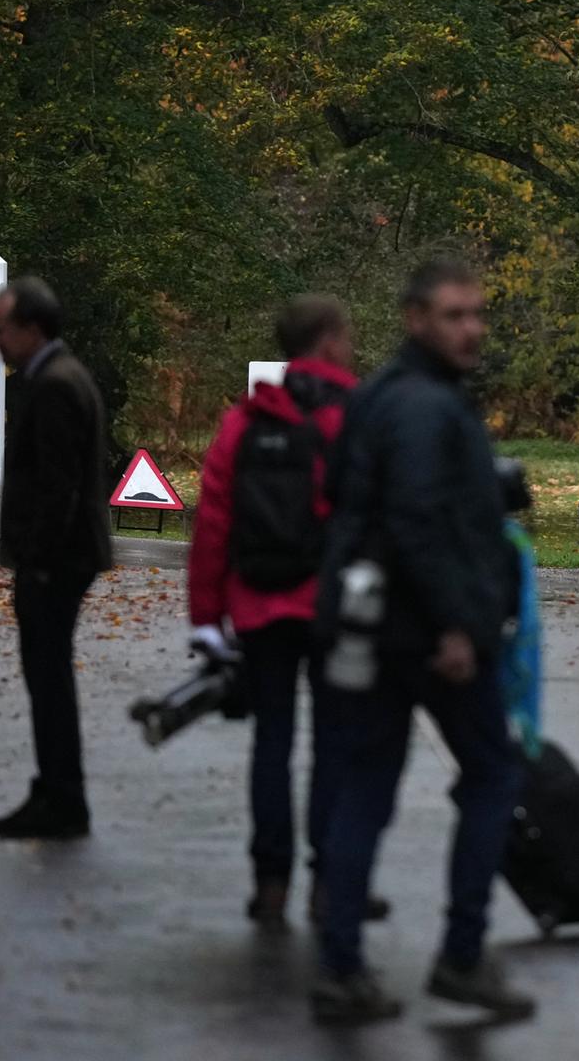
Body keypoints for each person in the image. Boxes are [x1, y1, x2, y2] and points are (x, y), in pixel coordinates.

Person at [310, 258, 534, 1026]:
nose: (471, 328)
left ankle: (342, 968)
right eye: (453, 314)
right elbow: (414, 520)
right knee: (492, 775)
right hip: (425, 634)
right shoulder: (418, 406)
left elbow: (348, 495)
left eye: (476, 313)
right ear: (415, 318)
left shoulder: (385, 395)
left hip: (374, 625)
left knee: (366, 787)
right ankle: (462, 958)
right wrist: (453, 625)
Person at [187, 294, 388, 929]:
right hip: (334, 609)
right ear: (328, 340)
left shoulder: (246, 422)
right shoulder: (356, 416)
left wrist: (205, 614)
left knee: (271, 742)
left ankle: (269, 881)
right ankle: (329, 880)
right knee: (336, 744)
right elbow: (379, 516)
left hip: (259, 604)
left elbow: (214, 520)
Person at [0, 277, 111, 840]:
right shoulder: (58, 375)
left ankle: (61, 797)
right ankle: (56, 789)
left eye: (2, 328)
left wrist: (36, 561)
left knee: (48, 676)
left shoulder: (55, 385)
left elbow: (57, 486)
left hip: (56, 562)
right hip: (60, 557)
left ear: (32, 329)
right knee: (48, 675)